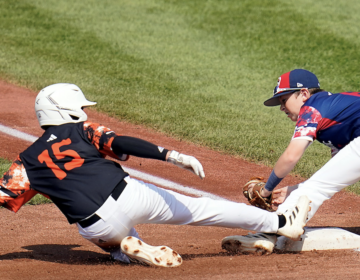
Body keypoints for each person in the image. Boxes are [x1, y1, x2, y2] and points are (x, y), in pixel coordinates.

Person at [0, 83, 309, 267]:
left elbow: (4, 198)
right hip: (131, 197)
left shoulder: (24, 163)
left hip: (98, 226)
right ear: (66, 109)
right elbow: (119, 143)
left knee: (95, 234)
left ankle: (126, 250)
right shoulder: (82, 130)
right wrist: (170, 155)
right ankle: (280, 224)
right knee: (202, 209)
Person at [247, 68, 360, 225]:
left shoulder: (312, 108)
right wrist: (295, 188)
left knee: (308, 193)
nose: (282, 108)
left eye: (284, 100)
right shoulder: (336, 113)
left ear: (304, 94)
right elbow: (337, 174)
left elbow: (291, 156)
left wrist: (266, 190)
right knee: (314, 187)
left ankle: (275, 230)